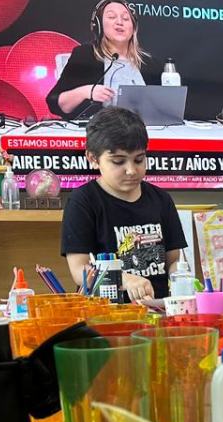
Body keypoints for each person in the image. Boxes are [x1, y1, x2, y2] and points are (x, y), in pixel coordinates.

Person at [61, 107, 187, 301]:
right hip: (106, 315)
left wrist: (183, 278)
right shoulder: (83, 202)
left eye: (139, 160)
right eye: (118, 161)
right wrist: (124, 280)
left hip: (156, 312)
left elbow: (173, 260)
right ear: (93, 159)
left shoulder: (161, 199)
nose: (131, 170)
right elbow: (80, 270)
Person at [46, 0, 160, 121]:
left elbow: (163, 107)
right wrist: (86, 91)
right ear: (98, 25)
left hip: (145, 133)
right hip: (101, 135)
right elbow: (55, 103)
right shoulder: (85, 55)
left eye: (126, 19)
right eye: (112, 17)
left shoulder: (149, 63)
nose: (120, 22)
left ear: (133, 28)